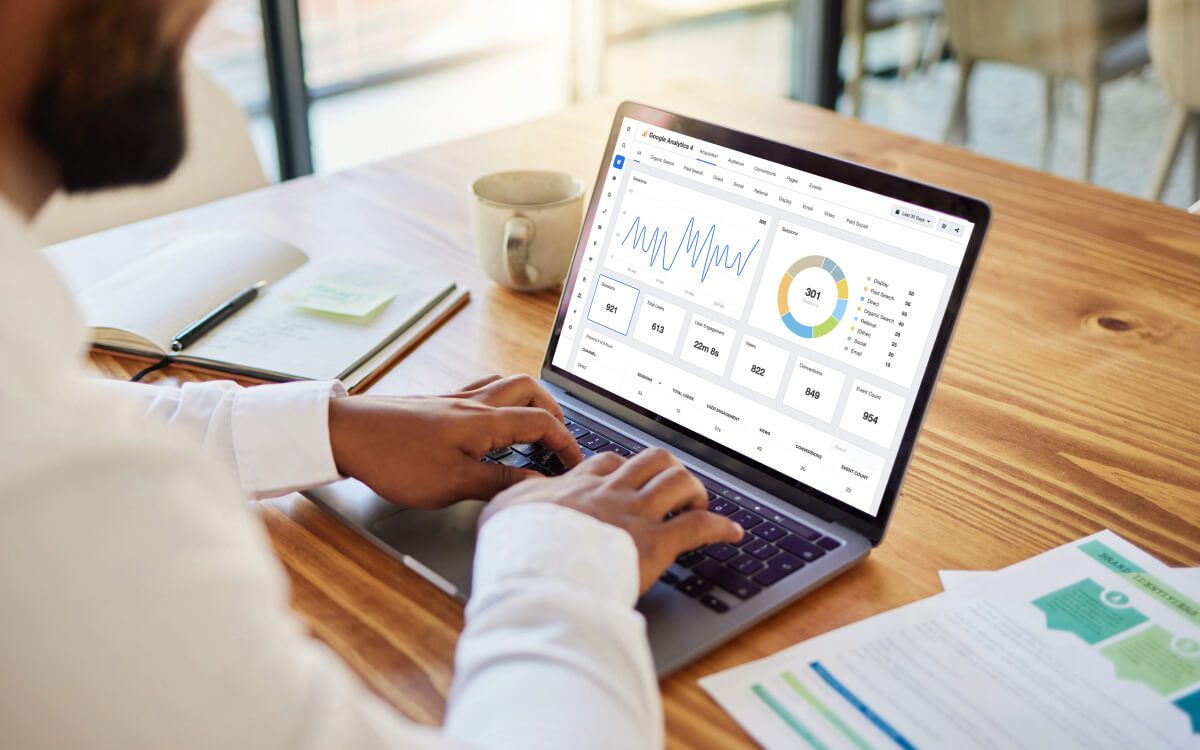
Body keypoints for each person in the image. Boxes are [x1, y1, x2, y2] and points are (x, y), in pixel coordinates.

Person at [0, 1, 744, 747]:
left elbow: (61, 414)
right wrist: (558, 557)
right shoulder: (51, 505)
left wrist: (332, 427)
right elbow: (52, 448)